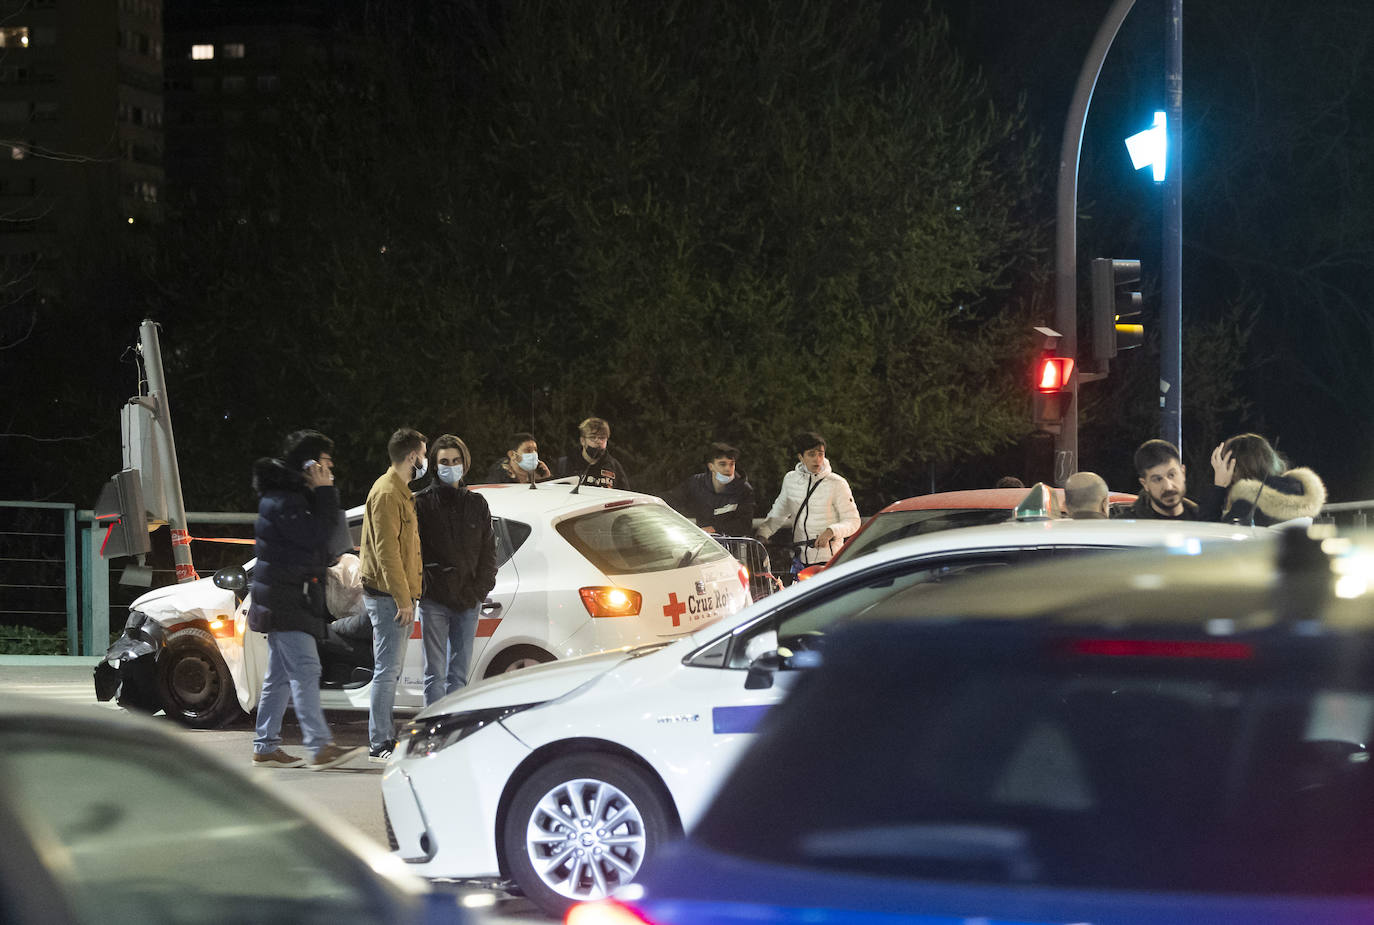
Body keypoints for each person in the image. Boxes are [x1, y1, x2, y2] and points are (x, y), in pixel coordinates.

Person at [247, 430, 362, 771]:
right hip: (285, 601)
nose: (330, 471)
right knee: (307, 668)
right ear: (309, 465)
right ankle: (319, 745)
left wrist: (323, 495)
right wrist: (325, 493)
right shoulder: (283, 500)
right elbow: (314, 538)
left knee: (279, 676)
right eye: (325, 464)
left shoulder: (295, 499)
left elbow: (327, 546)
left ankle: (265, 747)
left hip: (290, 598)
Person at [415, 434, 498, 706]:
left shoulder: (477, 504)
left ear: (465, 462)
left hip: (468, 600)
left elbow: (488, 554)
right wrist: (429, 586)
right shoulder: (423, 503)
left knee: (459, 676)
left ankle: (453, 732)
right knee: (434, 675)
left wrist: (477, 591)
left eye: (456, 460)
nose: (450, 466)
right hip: (434, 600)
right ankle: (433, 735)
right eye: (444, 461)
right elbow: (415, 555)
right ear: (435, 465)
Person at [359, 427, 427, 763]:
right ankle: (379, 744)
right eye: (424, 454)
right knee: (386, 670)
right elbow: (387, 553)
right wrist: (403, 599)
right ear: (413, 456)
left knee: (390, 670)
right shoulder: (387, 493)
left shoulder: (399, 491)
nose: (425, 461)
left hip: (395, 595)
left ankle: (383, 737)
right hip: (389, 597)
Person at [756, 432, 861, 576]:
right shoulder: (790, 480)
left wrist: (831, 531)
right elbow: (779, 513)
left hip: (830, 560)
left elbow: (854, 521)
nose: (817, 459)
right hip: (800, 559)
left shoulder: (837, 483)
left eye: (821, 454)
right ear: (801, 457)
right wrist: (762, 534)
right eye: (811, 454)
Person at [1203, 433, 1327, 526]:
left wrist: (1219, 486)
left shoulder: (1249, 502)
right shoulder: (1300, 491)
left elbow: (1210, 537)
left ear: (1234, 467)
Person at [664, 442, 757, 536]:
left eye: (732, 464)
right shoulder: (696, 483)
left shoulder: (744, 490)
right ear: (711, 466)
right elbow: (672, 499)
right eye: (722, 464)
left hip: (730, 545)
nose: (728, 469)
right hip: (702, 542)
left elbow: (744, 525)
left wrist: (714, 529)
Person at [1121, 439, 1200, 519]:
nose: (1168, 487)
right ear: (1145, 484)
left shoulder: (1204, 520)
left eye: (1171, 475)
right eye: (1158, 479)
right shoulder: (1126, 527)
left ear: (1183, 473)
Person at [555, 417, 630, 489]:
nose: (598, 441)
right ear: (583, 441)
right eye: (593, 437)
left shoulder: (614, 467)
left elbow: (625, 496)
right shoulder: (566, 464)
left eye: (602, 438)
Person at [484, 431, 552, 484]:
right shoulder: (498, 476)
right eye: (528, 450)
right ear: (512, 455)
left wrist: (546, 478)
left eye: (535, 450)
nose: (534, 454)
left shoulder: (537, 472)